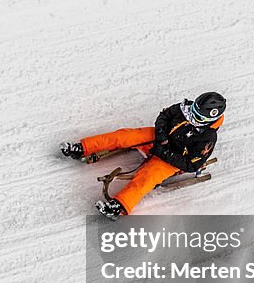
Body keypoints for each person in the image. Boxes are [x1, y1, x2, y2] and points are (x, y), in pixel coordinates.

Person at [61, 92, 226, 220]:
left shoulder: (208, 138)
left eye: (196, 116)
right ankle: (82, 147)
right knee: (125, 136)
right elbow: (164, 116)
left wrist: (164, 151)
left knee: (147, 177)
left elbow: (192, 165)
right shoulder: (184, 108)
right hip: (161, 140)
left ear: (209, 119)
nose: (190, 116)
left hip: (171, 159)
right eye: (192, 111)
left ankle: (119, 206)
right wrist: (162, 139)